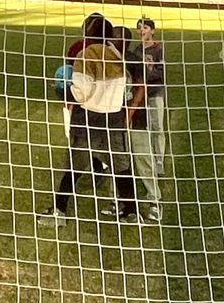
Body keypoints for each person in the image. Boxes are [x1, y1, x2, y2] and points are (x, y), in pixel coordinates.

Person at [44, 15, 143, 225]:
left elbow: (82, 91)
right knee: (121, 166)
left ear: (89, 33)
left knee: (73, 167)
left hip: (88, 119)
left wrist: (67, 92)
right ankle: (132, 211)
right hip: (114, 119)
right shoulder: (118, 56)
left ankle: (59, 212)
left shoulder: (86, 54)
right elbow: (124, 89)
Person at [127, 17, 168, 220]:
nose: (141, 31)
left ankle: (159, 162)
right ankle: (149, 161)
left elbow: (160, 73)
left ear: (151, 30)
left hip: (155, 93)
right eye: (138, 28)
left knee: (157, 127)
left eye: (144, 28)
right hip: (140, 95)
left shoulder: (158, 49)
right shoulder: (135, 50)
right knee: (143, 130)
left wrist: (144, 74)